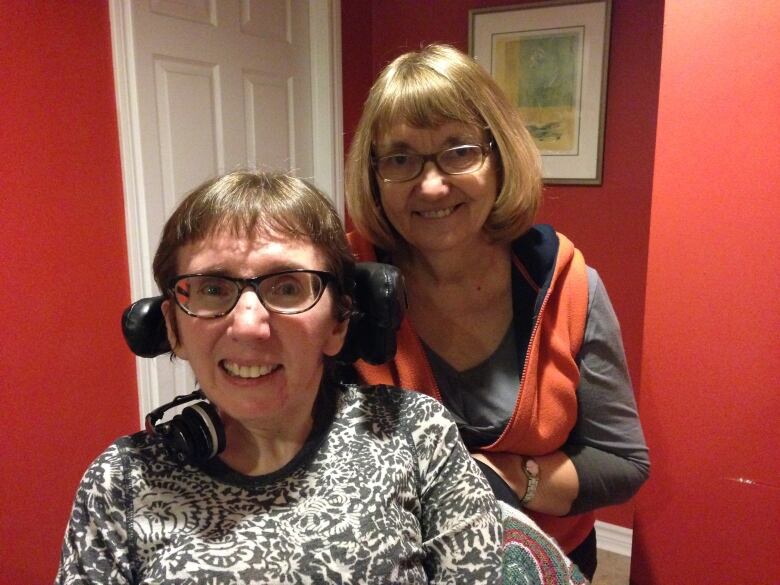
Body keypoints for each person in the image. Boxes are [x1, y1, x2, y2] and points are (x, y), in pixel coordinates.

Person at [56, 170, 505, 583]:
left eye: (287, 287)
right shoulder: (121, 481)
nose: (249, 325)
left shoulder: (413, 433)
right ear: (173, 327)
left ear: (338, 323)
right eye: (213, 288)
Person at [344, 44, 650, 580]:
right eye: (400, 159)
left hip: (543, 560)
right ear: (375, 174)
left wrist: (504, 476)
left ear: (498, 154)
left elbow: (622, 464)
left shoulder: (569, 285)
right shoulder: (340, 285)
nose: (431, 184)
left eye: (458, 150)